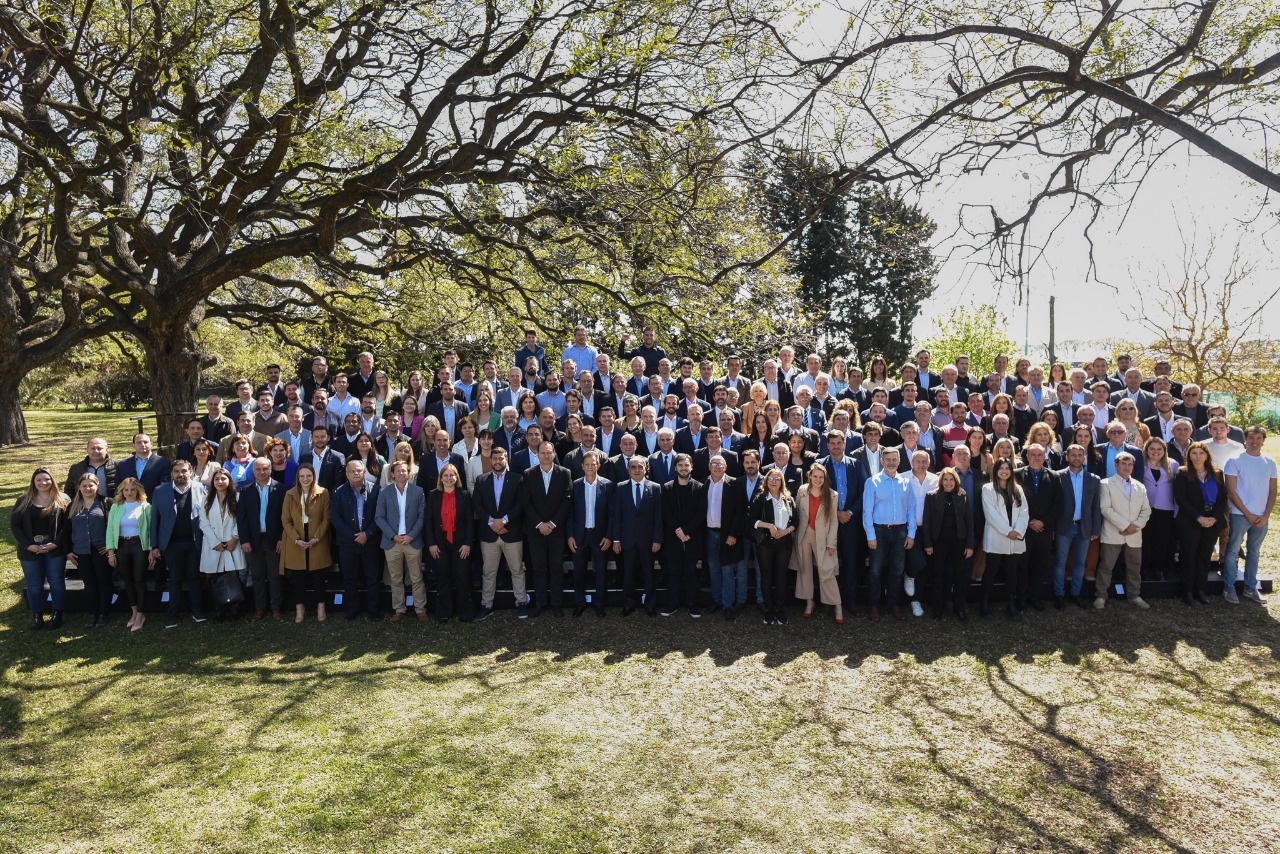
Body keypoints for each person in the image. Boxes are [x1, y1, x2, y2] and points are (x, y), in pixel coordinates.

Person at [11, 467, 72, 630]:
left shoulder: (63, 499)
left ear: (52, 481)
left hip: (54, 548)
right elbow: (15, 526)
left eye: (47, 479)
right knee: (34, 583)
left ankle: (57, 613)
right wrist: (28, 545)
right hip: (30, 550)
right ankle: (37, 615)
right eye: (39, 480)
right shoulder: (23, 500)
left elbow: (67, 527)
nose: (43, 483)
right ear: (33, 482)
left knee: (56, 581)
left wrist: (56, 543)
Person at [1222, 426, 1277, 605]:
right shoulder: (1234, 460)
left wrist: (1266, 515)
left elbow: (1272, 491)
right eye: (1251, 437)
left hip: (1261, 518)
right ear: (1245, 438)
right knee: (1232, 552)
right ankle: (1229, 587)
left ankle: (1250, 587)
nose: (1255, 441)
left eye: (1259, 438)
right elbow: (1231, 491)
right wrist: (1248, 514)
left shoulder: (1270, 462)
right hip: (1240, 515)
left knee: (1254, 552)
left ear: (1263, 440)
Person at [861, 447, 917, 621]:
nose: (891, 462)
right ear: (882, 461)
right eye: (888, 460)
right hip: (879, 530)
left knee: (897, 570)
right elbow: (867, 511)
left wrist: (911, 533)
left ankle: (894, 604)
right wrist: (871, 535)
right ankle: (873, 606)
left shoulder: (906, 483)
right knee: (876, 571)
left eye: (894, 459)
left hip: (900, 530)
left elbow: (911, 508)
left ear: (899, 461)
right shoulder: (872, 482)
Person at [151, 460, 207, 628]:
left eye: (184, 471)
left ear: (190, 472)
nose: (180, 474)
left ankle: (197, 611)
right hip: (171, 544)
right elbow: (155, 520)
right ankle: (172, 614)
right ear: (171, 473)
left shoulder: (202, 489)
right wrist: (154, 545)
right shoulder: (160, 491)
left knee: (194, 577)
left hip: (195, 542)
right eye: (176, 471)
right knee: (174, 578)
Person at [520, 441, 572, 616]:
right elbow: (526, 502)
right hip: (536, 531)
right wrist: (539, 524)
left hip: (556, 530)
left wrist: (552, 524)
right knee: (539, 567)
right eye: (542, 453)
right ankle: (541, 603)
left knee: (557, 567)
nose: (546, 456)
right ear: (538, 454)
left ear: (554, 453)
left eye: (549, 453)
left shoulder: (565, 473)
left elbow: (567, 500)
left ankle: (556, 604)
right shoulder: (528, 474)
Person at [1171, 441, 1226, 606]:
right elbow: (1181, 499)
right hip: (1190, 520)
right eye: (1194, 453)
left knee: (1204, 556)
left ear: (1207, 455)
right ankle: (1187, 591)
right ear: (1189, 455)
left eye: (1201, 453)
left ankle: (1201, 590)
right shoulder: (1182, 473)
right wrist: (1198, 518)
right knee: (1189, 556)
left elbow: (1223, 498)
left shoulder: (1217, 473)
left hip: (1212, 520)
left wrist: (1215, 517)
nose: (1198, 456)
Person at [1096, 452, 1152, 610]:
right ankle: (1101, 596)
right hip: (1114, 532)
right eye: (1123, 464)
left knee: (1134, 567)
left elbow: (1146, 510)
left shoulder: (1140, 486)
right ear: (1116, 465)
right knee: (1107, 566)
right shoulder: (1105, 484)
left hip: (1134, 534)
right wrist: (1125, 526)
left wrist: (1135, 526)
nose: (1127, 467)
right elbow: (1105, 509)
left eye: (1130, 464)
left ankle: (1134, 595)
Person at [610, 456, 663, 616]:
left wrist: (657, 539)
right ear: (629, 470)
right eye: (633, 467)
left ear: (645, 469)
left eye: (640, 467)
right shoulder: (620, 488)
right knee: (628, 574)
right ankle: (628, 604)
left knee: (649, 574)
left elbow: (658, 516)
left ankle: (650, 605)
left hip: (648, 540)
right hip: (627, 540)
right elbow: (616, 515)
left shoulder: (655, 488)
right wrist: (616, 539)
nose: (637, 470)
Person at [331, 459, 383, 621]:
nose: (356, 473)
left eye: (359, 471)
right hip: (348, 544)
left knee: (373, 578)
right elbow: (336, 519)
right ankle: (353, 609)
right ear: (346, 474)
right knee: (349, 577)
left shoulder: (376, 490)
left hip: (370, 542)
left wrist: (367, 534)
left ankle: (374, 610)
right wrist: (353, 536)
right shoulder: (338, 492)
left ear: (364, 472)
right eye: (352, 471)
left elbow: (380, 516)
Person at [919, 467, 974, 620]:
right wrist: (928, 544)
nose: (948, 482)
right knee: (938, 576)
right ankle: (938, 608)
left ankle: (960, 608)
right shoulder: (932, 496)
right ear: (941, 481)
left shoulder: (962, 495)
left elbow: (969, 522)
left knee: (959, 577)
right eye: (945, 479)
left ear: (955, 481)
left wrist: (970, 545)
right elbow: (927, 522)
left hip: (959, 542)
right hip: (938, 543)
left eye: (951, 479)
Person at [236, 457, 287, 620]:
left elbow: (285, 518)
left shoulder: (281, 489)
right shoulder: (245, 490)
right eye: (258, 469)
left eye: (265, 469)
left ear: (270, 469)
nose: (261, 472)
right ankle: (259, 608)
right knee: (257, 576)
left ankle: (276, 608)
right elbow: (241, 519)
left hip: (274, 540)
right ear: (253, 471)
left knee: (274, 576)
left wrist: (281, 538)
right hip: (253, 540)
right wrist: (244, 540)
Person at [791, 464, 844, 623]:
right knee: (805, 569)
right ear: (810, 476)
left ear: (825, 477)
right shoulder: (802, 491)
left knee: (826, 570)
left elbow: (834, 521)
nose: (818, 480)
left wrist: (831, 543)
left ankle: (838, 605)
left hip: (823, 537)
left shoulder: (832, 495)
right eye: (815, 476)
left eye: (821, 477)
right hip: (803, 535)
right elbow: (796, 513)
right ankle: (809, 602)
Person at [1052, 444, 1102, 609]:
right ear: (1067, 457)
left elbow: (1096, 507)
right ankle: (1059, 595)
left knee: (1080, 563)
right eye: (1073, 455)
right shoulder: (1057, 476)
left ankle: (1075, 594)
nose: (1077, 458)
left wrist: (1096, 529)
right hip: (1063, 527)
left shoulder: (1094, 479)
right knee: (1060, 562)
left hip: (1084, 528)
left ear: (1084, 457)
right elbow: (1053, 505)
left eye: (1080, 455)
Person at [281, 463, 332, 623]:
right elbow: (285, 520)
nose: (305, 479)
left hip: (317, 538)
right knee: (298, 577)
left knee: (318, 576)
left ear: (313, 476)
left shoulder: (323, 493)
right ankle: (299, 608)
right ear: (297, 477)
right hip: (297, 539)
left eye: (308, 476)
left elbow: (326, 518)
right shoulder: (289, 494)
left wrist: (317, 537)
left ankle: (321, 606)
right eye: (302, 476)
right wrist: (296, 539)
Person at [980, 458, 1029, 620]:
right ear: (995, 471)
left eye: (1008, 468)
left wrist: (1018, 531)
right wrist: (1008, 531)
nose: (1004, 471)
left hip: (1015, 538)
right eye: (1001, 468)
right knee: (991, 571)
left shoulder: (1017, 489)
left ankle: (1011, 605)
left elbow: (1024, 512)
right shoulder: (988, 489)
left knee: (1011, 573)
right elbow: (991, 515)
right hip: (997, 537)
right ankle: (984, 605)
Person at [567, 449, 615, 617]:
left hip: (600, 536)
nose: (589, 467)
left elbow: (612, 514)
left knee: (600, 571)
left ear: (598, 466)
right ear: (582, 466)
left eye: (592, 464)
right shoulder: (576, 485)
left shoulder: (608, 485)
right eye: (586, 464)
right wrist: (570, 535)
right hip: (579, 536)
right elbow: (571, 512)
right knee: (578, 571)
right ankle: (579, 603)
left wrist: (609, 536)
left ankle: (600, 604)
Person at [425, 464, 475, 622]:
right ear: (441, 478)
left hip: (461, 544)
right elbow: (428, 521)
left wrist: (468, 543)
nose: (448, 478)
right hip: (440, 545)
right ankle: (444, 612)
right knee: (443, 578)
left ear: (456, 478)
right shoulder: (433, 495)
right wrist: (431, 543)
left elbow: (469, 522)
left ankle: (464, 612)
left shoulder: (465, 495)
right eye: (445, 475)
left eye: (451, 475)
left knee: (462, 578)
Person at [659, 454, 706, 617]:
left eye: (686, 465)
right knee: (673, 571)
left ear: (691, 467)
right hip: (673, 537)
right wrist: (678, 531)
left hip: (692, 537)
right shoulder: (667, 487)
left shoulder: (700, 487)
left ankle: (692, 604)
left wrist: (685, 530)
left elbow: (701, 513)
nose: (683, 468)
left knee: (691, 572)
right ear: (675, 468)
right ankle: (673, 603)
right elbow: (666, 512)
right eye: (680, 465)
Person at [1016, 443, 1061, 611]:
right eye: (1033, 454)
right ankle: (1020, 599)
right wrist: (1027, 522)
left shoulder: (1054, 476)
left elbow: (1058, 504)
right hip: (1023, 529)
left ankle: (1035, 597)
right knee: (1022, 565)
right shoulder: (1016, 475)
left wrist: (1043, 522)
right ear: (1027, 456)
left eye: (1040, 455)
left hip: (1044, 530)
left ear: (1045, 457)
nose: (1036, 457)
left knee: (1040, 565)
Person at [198, 467, 247, 620]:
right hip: (214, 545)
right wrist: (215, 542)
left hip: (233, 543)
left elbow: (242, 520)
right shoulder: (206, 499)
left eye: (223, 478)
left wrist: (234, 538)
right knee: (215, 577)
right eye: (217, 479)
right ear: (213, 482)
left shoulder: (237, 498)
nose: (220, 481)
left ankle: (234, 608)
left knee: (234, 576)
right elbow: (203, 523)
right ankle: (219, 608)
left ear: (229, 481)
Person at [750, 466, 797, 625]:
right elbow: (751, 521)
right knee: (767, 576)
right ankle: (769, 610)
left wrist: (786, 532)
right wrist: (769, 527)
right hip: (765, 543)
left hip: (784, 542)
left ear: (781, 481)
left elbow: (796, 521)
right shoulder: (760, 498)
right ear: (766, 481)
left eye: (777, 479)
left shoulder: (788, 498)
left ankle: (780, 609)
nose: (774, 481)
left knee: (781, 576)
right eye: (771, 478)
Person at [106, 477, 154, 632]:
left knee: (139, 580)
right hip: (121, 546)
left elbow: (152, 530)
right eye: (126, 490)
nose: (129, 492)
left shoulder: (146, 507)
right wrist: (111, 552)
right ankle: (133, 612)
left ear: (138, 491)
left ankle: (141, 614)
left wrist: (152, 549)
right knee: (127, 581)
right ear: (122, 491)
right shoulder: (116, 507)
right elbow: (110, 530)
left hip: (139, 546)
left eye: (133, 489)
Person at [68, 473, 111, 628]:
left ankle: (103, 614)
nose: (87, 488)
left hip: (101, 550)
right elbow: (65, 530)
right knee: (89, 583)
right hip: (81, 551)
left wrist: (111, 545)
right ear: (79, 487)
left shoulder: (106, 503)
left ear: (97, 486)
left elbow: (114, 526)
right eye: (84, 485)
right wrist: (68, 550)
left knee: (104, 582)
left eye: (91, 485)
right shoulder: (72, 506)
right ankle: (92, 614)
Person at [1140, 437, 1179, 582]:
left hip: (1165, 508)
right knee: (1145, 539)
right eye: (1152, 449)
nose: (1155, 452)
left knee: (1161, 540)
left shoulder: (1173, 465)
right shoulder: (1141, 464)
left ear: (1164, 451)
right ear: (1146, 450)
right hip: (1146, 507)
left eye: (1159, 449)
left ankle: (1158, 568)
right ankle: (1144, 568)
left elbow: (1177, 489)